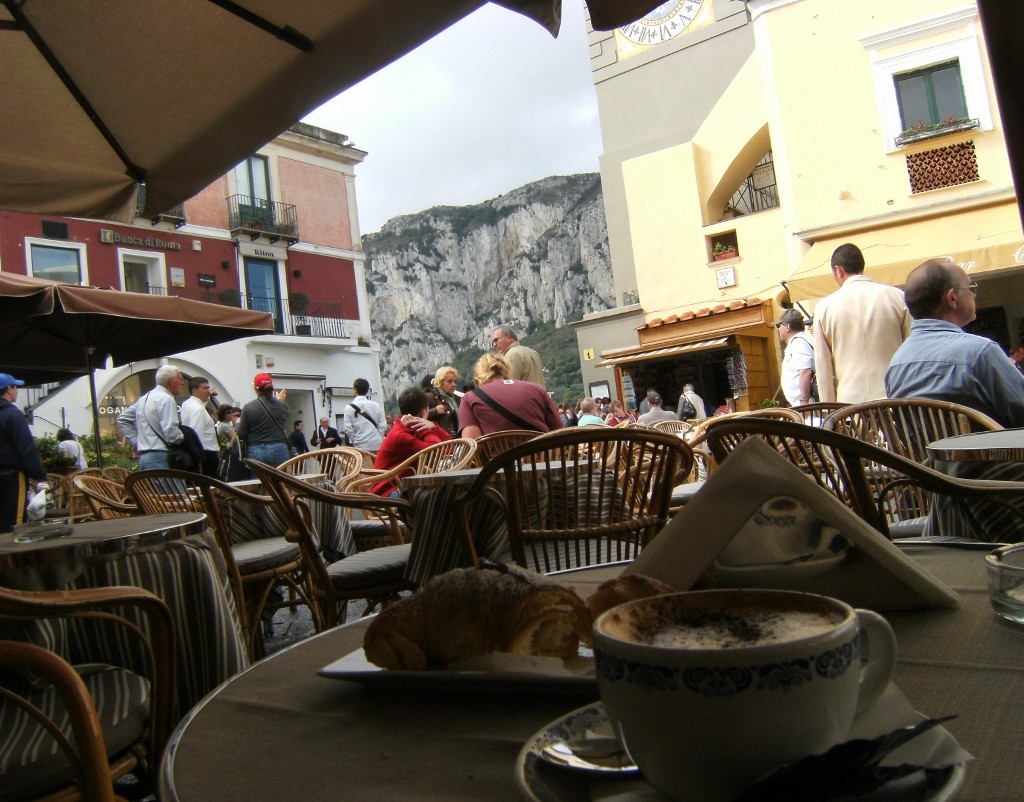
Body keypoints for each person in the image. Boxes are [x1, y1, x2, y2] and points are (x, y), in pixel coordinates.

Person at [885, 258, 1024, 541]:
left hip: (941, 488)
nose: (975, 293)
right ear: (952, 298)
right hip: (1002, 489)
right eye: (971, 288)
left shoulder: (896, 365)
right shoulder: (979, 353)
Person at [813, 242, 911, 403]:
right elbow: (910, 348)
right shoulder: (897, 297)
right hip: (895, 397)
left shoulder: (824, 308)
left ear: (838, 270)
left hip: (849, 405)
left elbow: (823, 366)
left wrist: (828, 409)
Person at [459, 353, 564, 438]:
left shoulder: (470, 398)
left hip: (499, 463)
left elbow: (472, 444)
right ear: (505, 373)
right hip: (541, 462)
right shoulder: (537, 390)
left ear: (478, 380)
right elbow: (560, 432)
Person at [371, 387, 451, 497]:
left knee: (441, 494)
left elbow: (450, 445)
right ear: (425, 412)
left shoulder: (405, 428)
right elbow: (437, 451)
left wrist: (433, 426)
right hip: (387, 493)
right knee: (440, 495)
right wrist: (427, 429)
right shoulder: (401, 435)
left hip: (401, 486)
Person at [0, 373, 49, 532]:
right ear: (9, 389)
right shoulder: (13, 414)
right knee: (15, 522)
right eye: (16, 387)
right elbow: (26, 449)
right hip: (12, 475)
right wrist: (40, 476)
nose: (17, 391)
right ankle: (14, 556)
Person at [117, 364, 185, 470]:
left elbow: (123, 418)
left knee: (152, 487)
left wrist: (136, 442)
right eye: (180, 379)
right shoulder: (167, 399)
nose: (183, 382)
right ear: (171, 381)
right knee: (173, 487)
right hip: (161, 457)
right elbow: (171, 433)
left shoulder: (143, 399)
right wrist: (184, 437)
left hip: (144, 458)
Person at [237, 373, 291, 466]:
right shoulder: (282, 405)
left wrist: (237, 424)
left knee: (259, 480)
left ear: (255, 388)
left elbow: (242, 434)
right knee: (280, 479)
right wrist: (280, 400)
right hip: (279, 448)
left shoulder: (248, 407)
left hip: (257, 450)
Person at [180, 375, 220, 476]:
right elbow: (197, 435)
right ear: (194, 391)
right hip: (205, 455)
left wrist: (210, 395)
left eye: (208, 388)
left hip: (200, 454)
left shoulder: (187, 404)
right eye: (205, 388)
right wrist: (199, 461)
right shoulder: (198, 409)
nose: (208, 391)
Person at [775, 308, 816, 407]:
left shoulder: (799, 343)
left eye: (779, 325)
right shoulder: (799, 342)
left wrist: (804, 402)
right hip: (804, 403)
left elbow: (805, 371)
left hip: (807, 404)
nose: (778, 329)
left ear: (787, 327)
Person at [344, 378, 386, 453]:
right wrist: (378, 436)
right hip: (377, 444)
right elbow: (382, 425)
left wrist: (354, 440)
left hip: (360, 446)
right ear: (367, 390)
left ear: (355, 390)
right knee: (378, 465)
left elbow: (349, 429)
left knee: (364, 465)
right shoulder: (376, 405)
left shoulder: (348, 408)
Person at [425, 366, 461, 438]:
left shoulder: (458, 399)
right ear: (440, 382)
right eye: (449, 381)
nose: (453, 384)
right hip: (443, 443)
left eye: (455, 381)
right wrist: (435, 411)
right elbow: (418, 417)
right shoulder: (430, 397)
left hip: (461, 441)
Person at [216, 404, 248, 482]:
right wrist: (236, 424)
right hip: (229, 453)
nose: (231, 415)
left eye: (231, 412)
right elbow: (236, 439)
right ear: (223, 415)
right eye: (228, 413)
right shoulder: (225, 426)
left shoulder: (221, 424)